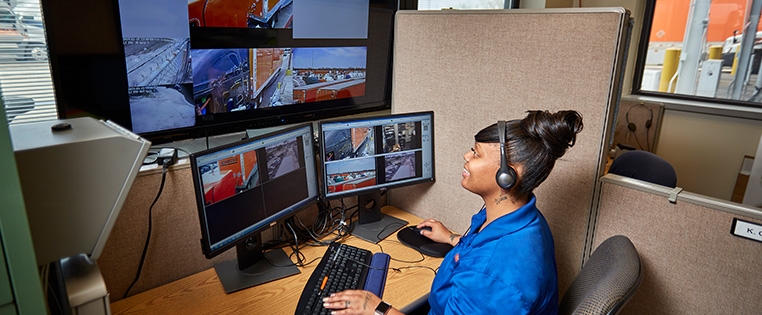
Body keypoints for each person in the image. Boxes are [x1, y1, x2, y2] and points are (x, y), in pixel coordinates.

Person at [323, 110, 583, 315]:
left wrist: (378, 308)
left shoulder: (493, 274)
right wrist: (452, 240)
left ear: (508, 175)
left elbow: (491, 273)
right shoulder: (523, 220)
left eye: (476, 153)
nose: (466, 156)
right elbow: (488, 255)